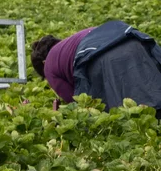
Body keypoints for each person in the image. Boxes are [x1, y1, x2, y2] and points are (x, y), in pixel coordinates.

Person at [32, 20, 161, 110]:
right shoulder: (73, 41)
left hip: (104, 60)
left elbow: (78, 101)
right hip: (132, 41)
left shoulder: (48, 66)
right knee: (151, 88)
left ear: (43, 63)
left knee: (119, 107)